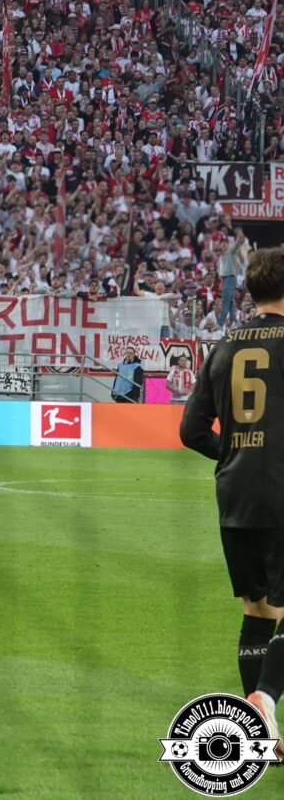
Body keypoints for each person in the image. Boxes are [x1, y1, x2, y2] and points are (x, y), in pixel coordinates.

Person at [179, 247, 284, 737]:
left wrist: (236, 454)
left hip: (235, 492)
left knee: (256, 608)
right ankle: (266, 695)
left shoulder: (223, 347)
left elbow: (191, 431)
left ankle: (259, 732)